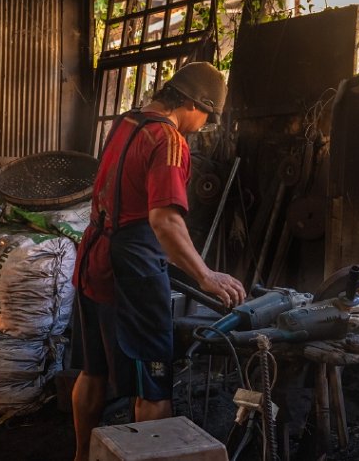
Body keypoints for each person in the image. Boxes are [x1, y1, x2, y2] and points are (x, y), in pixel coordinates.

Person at [71, 61, 246, 461]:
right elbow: (164, 221)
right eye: (207, 116)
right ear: (194, 103)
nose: (202, 126)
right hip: (131, 267)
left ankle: (82, 456)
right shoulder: (168, 140)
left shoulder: (127, 122)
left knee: (92, 370)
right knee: (154, 384)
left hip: (93, 254)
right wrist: (206, 276)